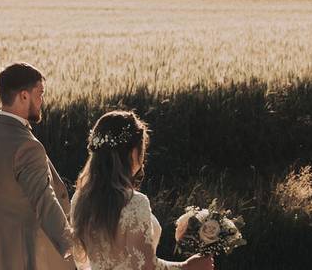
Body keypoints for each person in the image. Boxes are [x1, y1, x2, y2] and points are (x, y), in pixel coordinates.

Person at [0, 62, 74, 270]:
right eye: (40, 93)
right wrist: (73, 249)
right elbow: (44, 200)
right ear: (24, 96)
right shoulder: (27, 145)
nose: (42, 100)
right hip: (30, 256)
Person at [70, 110, 213, 270]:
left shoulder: (79, 199)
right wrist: (187, 267)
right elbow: (144, 267)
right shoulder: (134, 203)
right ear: (133, 152)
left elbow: (82, 262)